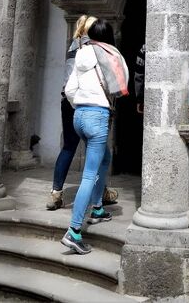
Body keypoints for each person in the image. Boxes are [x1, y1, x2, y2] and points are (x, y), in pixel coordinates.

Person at [62, 18, 129, 255]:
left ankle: (98, 208)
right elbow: (122, 84)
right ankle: (74, 231)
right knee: (89, 174)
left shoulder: (81, 53)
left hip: (78, 115)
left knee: (104, 158)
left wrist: (80, 105)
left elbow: (69, 90)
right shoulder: (110, 54)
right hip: (97, 115)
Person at [47, 15, 118, 210]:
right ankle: (100, 193)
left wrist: (73, 102)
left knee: (69, 146)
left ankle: (56, 193)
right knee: (98, 150)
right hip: (90, 103)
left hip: (69, 100)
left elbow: (69, 83)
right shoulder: (97, 49)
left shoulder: (73, 47)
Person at [134, 44, 189, 122]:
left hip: (157, 102)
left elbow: (139, 75)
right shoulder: (182, 44)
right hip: (177, 100)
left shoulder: (146, 47)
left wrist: (139, 99)